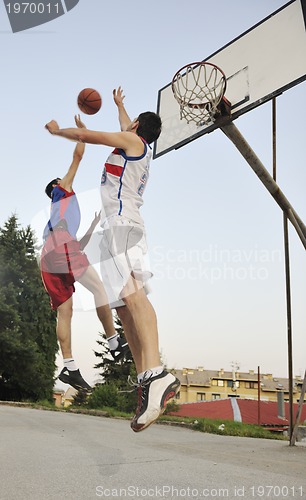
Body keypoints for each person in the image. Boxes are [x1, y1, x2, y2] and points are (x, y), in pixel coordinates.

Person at [45, 88, 181, 432]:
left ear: (136, 127)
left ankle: (156, 373)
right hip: (114, 230)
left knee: (133, 294)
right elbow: (125, 126)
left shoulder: (131, 142)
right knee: (122, 306)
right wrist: (121, 105)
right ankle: (145, 380)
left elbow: (90, 135)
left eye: (129, 123)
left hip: (123, 227)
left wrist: (60, 130)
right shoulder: (138, 144)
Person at [41, 114, 128, 393]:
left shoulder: (58, 214)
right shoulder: (62, 190)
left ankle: (69, 367)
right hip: (63, 248)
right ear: (57, 185)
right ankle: (114, 342)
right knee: (99, 289)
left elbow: (72, 245)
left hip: (49, 256)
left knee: (64, 313)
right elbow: (77, 159)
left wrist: (90, 226)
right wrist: (81, 132)